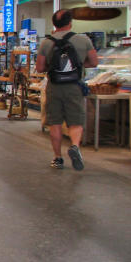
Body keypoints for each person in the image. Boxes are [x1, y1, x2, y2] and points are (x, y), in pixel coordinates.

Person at [35, 9, 98, 170]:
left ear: (54, 24)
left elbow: (40, 68)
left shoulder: (46, 42)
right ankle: (75, 146)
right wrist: (78, 66)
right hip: (74, 85)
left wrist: (54, 67)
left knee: (55, 122)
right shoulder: (83, 40)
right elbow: (94, 62)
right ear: (70, 23)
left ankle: (57, 158)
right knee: (75, 121)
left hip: (54, 86)